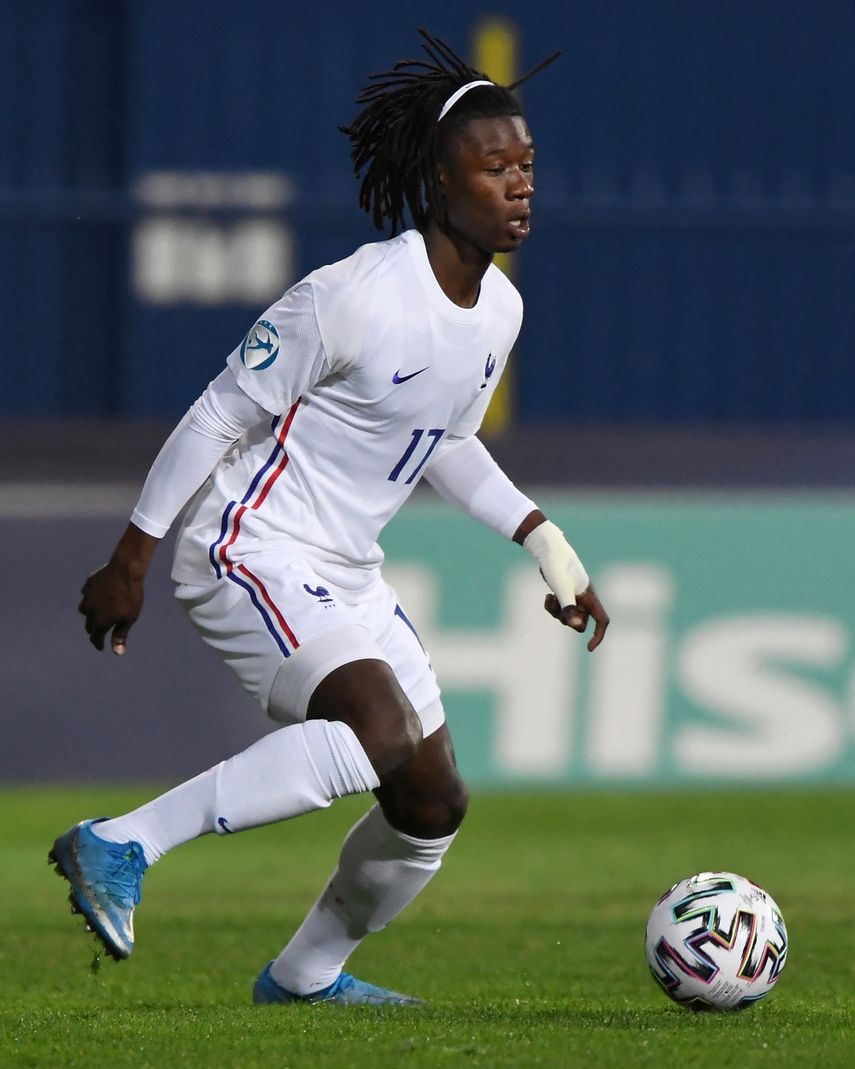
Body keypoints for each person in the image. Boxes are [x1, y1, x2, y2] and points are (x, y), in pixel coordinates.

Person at [50, 29, 609, 1006]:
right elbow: (220, 410)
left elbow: (442, 441)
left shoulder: (498, 313)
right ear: (441, 181)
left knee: (431, 801)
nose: (518, 185)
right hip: (247, 544)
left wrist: (541, 537)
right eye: (494, 167)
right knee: (376, 731)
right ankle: (119, 842)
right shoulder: (349, 298)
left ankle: (305, 977)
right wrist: (131, 554)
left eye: (525, 165)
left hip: (345, 567)